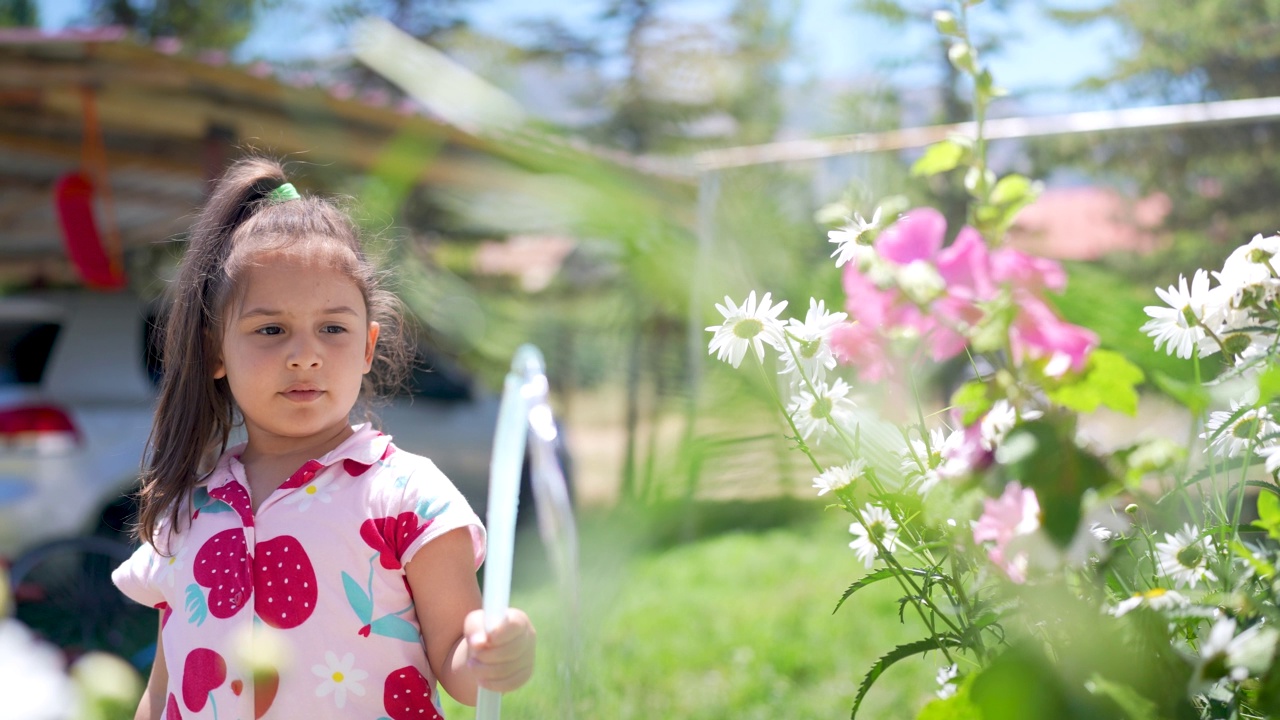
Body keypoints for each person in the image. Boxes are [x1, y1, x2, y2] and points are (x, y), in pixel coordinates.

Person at [111, 156, 535, 719]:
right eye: (270, 329)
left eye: (333, 328)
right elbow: (164, 691)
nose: (305, 354)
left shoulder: (409, 496)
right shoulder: (189, 509)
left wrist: (494, 655)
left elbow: (459, 660)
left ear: (366, 346)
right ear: (216, 351)